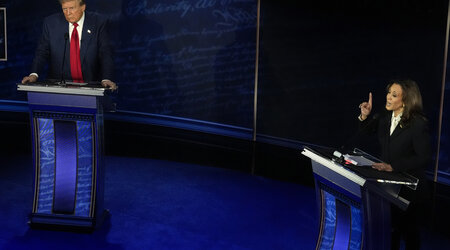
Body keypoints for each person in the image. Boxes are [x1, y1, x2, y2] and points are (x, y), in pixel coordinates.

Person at [358, 79, 431, 250]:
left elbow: (424, 157)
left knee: (409, 234)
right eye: (389, 93)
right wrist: (364, 116)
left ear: (405, 100)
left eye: (394, 95)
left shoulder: (417, 123)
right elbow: (367, 130)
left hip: (410, 190)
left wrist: (393, 166)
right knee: (391, 232)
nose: (388, 98)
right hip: (388, 186)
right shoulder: (385, 116)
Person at [21, 0, 117, 90]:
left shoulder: (98, 23)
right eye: (64, 9)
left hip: (91, 85)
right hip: (58, 86)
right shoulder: (51, 23)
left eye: (72, 8)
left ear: (83, 7)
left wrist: (106, 78)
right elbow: (42, 52)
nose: (68, 13)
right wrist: (34, 74)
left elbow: (105, 53)